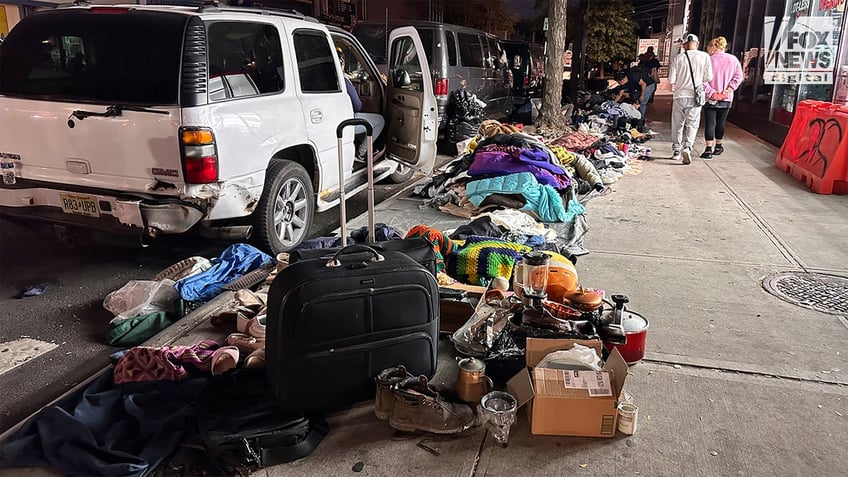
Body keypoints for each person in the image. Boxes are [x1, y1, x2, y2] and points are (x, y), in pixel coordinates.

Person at [668, 33, 713, 164]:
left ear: (684, 45)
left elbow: (671, 80)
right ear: (697, 44)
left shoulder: (678, 58)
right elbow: (708, 77)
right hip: (695, 96)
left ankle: (676, 151)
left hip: (679, 96)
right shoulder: (705, 56)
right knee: (692, 124)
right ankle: (687, 147)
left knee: (677, 124)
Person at [701, 36, 743, 159]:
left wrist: (712, 93)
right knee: (721, 123)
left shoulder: (708, 60)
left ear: (713, 47)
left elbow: (702, 79)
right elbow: (738, 77)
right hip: (726, 98)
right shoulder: (733, 60)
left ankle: (708, 149)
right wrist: (728, 90)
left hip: (710, 98)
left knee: (710, 123)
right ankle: (718, 146)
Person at [340, 54, 385, 161]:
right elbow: (357, 106)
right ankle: (361, 152)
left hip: (333, 122)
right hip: (345, 123)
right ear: (342, 64)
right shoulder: (343, 81)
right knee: (379, 121)